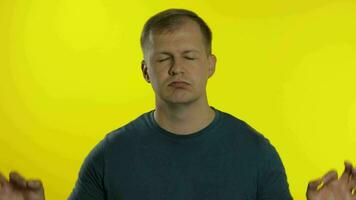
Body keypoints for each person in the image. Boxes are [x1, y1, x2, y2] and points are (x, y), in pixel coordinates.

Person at [0, 8, 355, 200]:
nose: (177, 69)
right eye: (163, 58)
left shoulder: (256, 153)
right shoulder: (109, 154)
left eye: (189, 56)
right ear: (145, 70)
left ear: (211, 64)